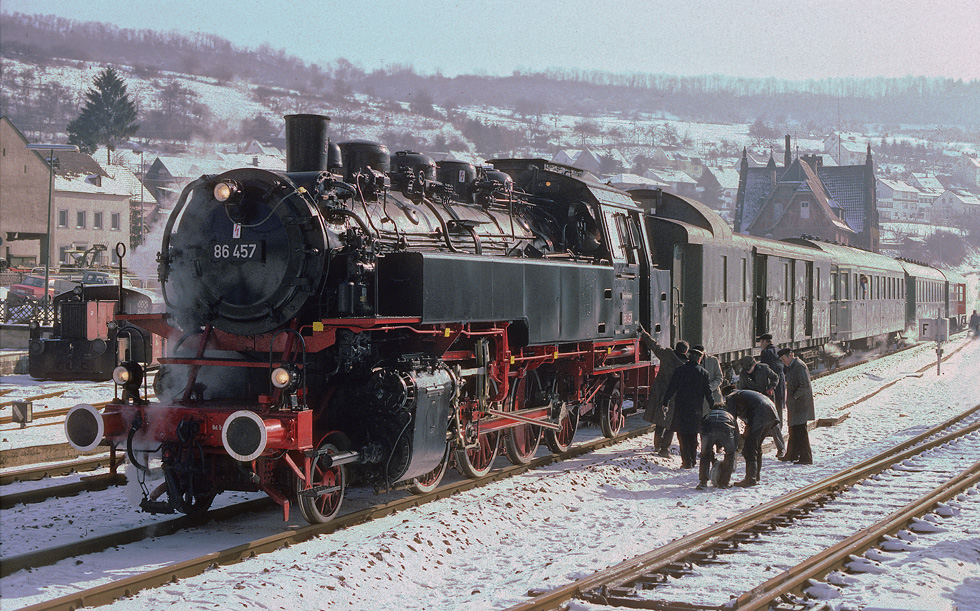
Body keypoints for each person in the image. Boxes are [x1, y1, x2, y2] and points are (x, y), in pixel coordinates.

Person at [661, 348, 713, 469]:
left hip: (681, 409)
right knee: (693, 435)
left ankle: (686, 462)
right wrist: (712, 406)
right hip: (696, 410)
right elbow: (708, 392)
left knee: (682, 436)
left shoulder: (679, 370)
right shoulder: (703, 373)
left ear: (689, 358)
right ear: (699, 359)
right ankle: (693, 459)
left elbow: (671, 387)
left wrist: (666, 401)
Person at [639, 329, 687, 457]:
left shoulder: (666, 355)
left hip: (660, 390)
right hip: (675, 394)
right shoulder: (685, 364)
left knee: (660, 419)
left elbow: (654, 346)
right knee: (671, 422)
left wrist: (644, 334)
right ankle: (665, 448)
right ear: (685, 351)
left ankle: (656, 445)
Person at [724, 387, 779, 487]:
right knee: (756, 446)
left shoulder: (731, 397)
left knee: (750, 447)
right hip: (772, 413)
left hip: (760, 414)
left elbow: (731, 419)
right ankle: (755, 475)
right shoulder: (743, 395)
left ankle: (750, 479)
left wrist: (732, 437)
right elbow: (748, 414)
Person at [778, 347, 814, 465]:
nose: (783, 362)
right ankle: (792, 454)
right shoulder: (793, 366)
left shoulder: (799, 366)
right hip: (795, 404)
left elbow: (805, 385)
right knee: (793, 429)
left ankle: (806, 457)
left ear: (791, 355)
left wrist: (794, 397)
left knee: (800, 430)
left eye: (784, 359)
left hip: (800, 403)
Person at [757, 334, 787, 457]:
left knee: (771, 410)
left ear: (764, 342)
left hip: (772, 385)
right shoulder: (778, 350)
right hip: (780, 383)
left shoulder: (767, 353)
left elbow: (765, 371)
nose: (760, 345)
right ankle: (778, 428)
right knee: (778, 407)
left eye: (760, 342)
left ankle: (774, 432)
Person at [697, 402, 738, 489]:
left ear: (712, 409)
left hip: (709, 428)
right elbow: (736, 434)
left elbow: (701, 430)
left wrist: (708, 454)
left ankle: (703, 482)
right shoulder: (729, 415)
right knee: (730, 454)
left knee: (705, 455)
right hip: (726, 430)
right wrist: (734, 448)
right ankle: (724, 482)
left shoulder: (708, 415)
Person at [692, 344, 723, 413]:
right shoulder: (691, 363)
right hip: (700, 399)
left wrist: (709, 388)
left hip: (714, 395)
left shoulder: (713, 360)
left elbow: (719, 378)